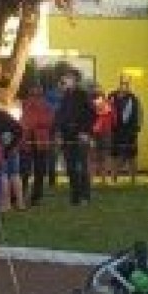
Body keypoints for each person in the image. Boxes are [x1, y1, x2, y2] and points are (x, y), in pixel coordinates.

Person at [54, 77, 95, 205]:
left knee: (82, 167)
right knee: (70, 168)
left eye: (67, 80)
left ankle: (85, 196)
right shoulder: (64, 96)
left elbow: (91, 115)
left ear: (74, 81)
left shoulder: (83, 95)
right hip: (67, 137)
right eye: (63, 80)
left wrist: (85, 132)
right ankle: (75, 196)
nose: (64, 82)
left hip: (80, 136)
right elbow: (60, 116)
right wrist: (59, 134)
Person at [19, 81, 56, 206]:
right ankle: (20, 195)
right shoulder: (25, 104)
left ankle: (36, 197)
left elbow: (49, 121)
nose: (35, 93)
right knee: (24, 171)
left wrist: (34, 124)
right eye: (33, 91)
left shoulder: (46, 105)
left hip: (41, 141)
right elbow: (23, 120)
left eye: (38, 91)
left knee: (39, 171)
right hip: (27, 140)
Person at [107, 75, 142, 183]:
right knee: (114, 155)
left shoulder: (133, 98)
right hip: (115, 131)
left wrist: (137, 127)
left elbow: (139, 113)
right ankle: (113, 178)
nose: (124, 85)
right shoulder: (112, 96)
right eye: (123, 83)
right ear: (119, 83)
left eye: (127, 83)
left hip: (130, 131)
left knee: (132, 155)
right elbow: (106, 111)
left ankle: (133, 179)